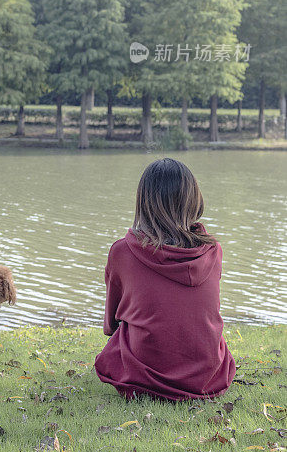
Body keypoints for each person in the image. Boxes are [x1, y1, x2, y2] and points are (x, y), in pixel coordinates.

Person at [94, 157, 235, 401]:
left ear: (144, 201)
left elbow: (111, 322)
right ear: (193, 199)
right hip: (207, 378)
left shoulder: (123, 252)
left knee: (126, 329)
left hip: (144, 379)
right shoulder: (213, 250)